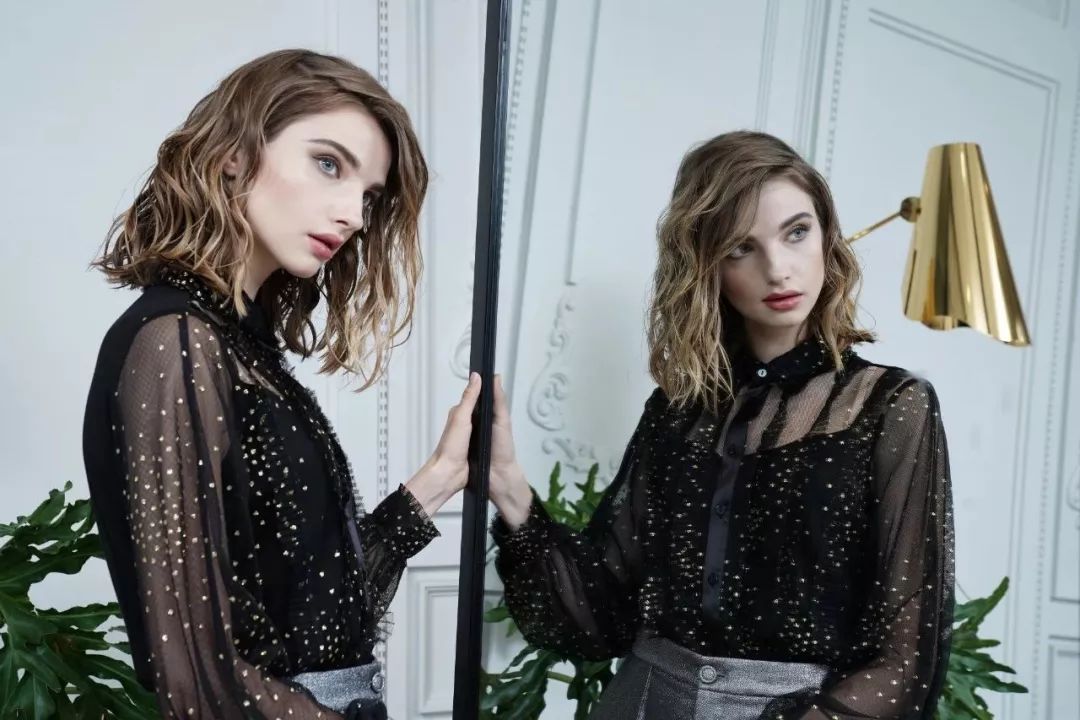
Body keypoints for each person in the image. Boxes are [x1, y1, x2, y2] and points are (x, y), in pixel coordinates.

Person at [486, 130, 955, 719]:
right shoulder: (677, 411)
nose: (778, 269)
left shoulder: (890, 406)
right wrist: (508, 484)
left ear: (827, 237)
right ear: (707, 264)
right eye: (740, 248)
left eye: (796, 232)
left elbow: (906, 658)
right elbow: (601, 616)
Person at [82, 48, 477, 720]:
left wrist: (440, 477)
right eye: (328, 164)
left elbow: (316, 619)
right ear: (234, 153)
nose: (353, 214)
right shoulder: (177, 342)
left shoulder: (240, 345)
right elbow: (197, 680)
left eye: (368, 195)